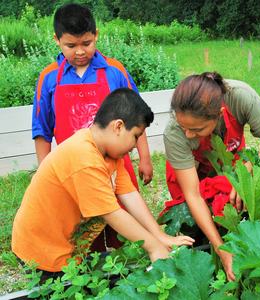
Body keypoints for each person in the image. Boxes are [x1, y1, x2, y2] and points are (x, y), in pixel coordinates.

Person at [12, 88, 194, 277]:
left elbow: (130, 195)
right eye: (136, 136)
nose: (135, 145)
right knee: (63, 289)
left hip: (67, 247)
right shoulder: (84, 158)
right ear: (118, 127)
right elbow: (112, 214)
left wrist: (159, 236)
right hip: (43, 252)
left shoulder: (109, 154)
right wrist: (153, 247)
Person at [32, 3, 153, 251]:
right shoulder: (49, 78)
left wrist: (145, 158)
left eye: (86, 43)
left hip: (118, 167)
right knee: (86, 232)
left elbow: (136, 117)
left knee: (126, 230)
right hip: (78, 171)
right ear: (57, 40)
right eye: (71, 46)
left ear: (96, 35)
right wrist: (44, 171)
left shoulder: (114, 71)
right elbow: (42, 131)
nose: (79, 52)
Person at [162, 72, 260, 281]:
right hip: (190, 171)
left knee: (232, 209)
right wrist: (222, 250)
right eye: (184, 128)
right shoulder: (174, 132)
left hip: (230, 163)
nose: (188, 134)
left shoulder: (240, 97)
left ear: (219, 114)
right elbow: (192, 194)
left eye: (196, 129)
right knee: (194, 228)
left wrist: (246, 170)